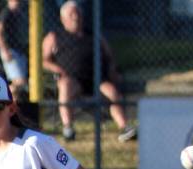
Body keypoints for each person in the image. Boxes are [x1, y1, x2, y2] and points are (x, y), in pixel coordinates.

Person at [41, 0, 136, 143]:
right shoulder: (54, 36)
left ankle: (124, 127)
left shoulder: (94, 35)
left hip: (96, 79)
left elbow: (109, 56)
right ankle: (68, 128)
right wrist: (59, 70)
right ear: (63, 19)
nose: (75, 17)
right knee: (65, 86)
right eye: (72, 14)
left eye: (77, 13)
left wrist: (112, 70)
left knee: (112, 92)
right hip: (73, 80)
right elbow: (45, 61)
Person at [0, 0, 28, 101]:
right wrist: (5, 50)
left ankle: (13, 108)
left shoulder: (19, 12)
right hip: (11, 51)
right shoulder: (6, 13)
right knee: (19, 82)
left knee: (19, 85)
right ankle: (0, 99)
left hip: (19, 51)